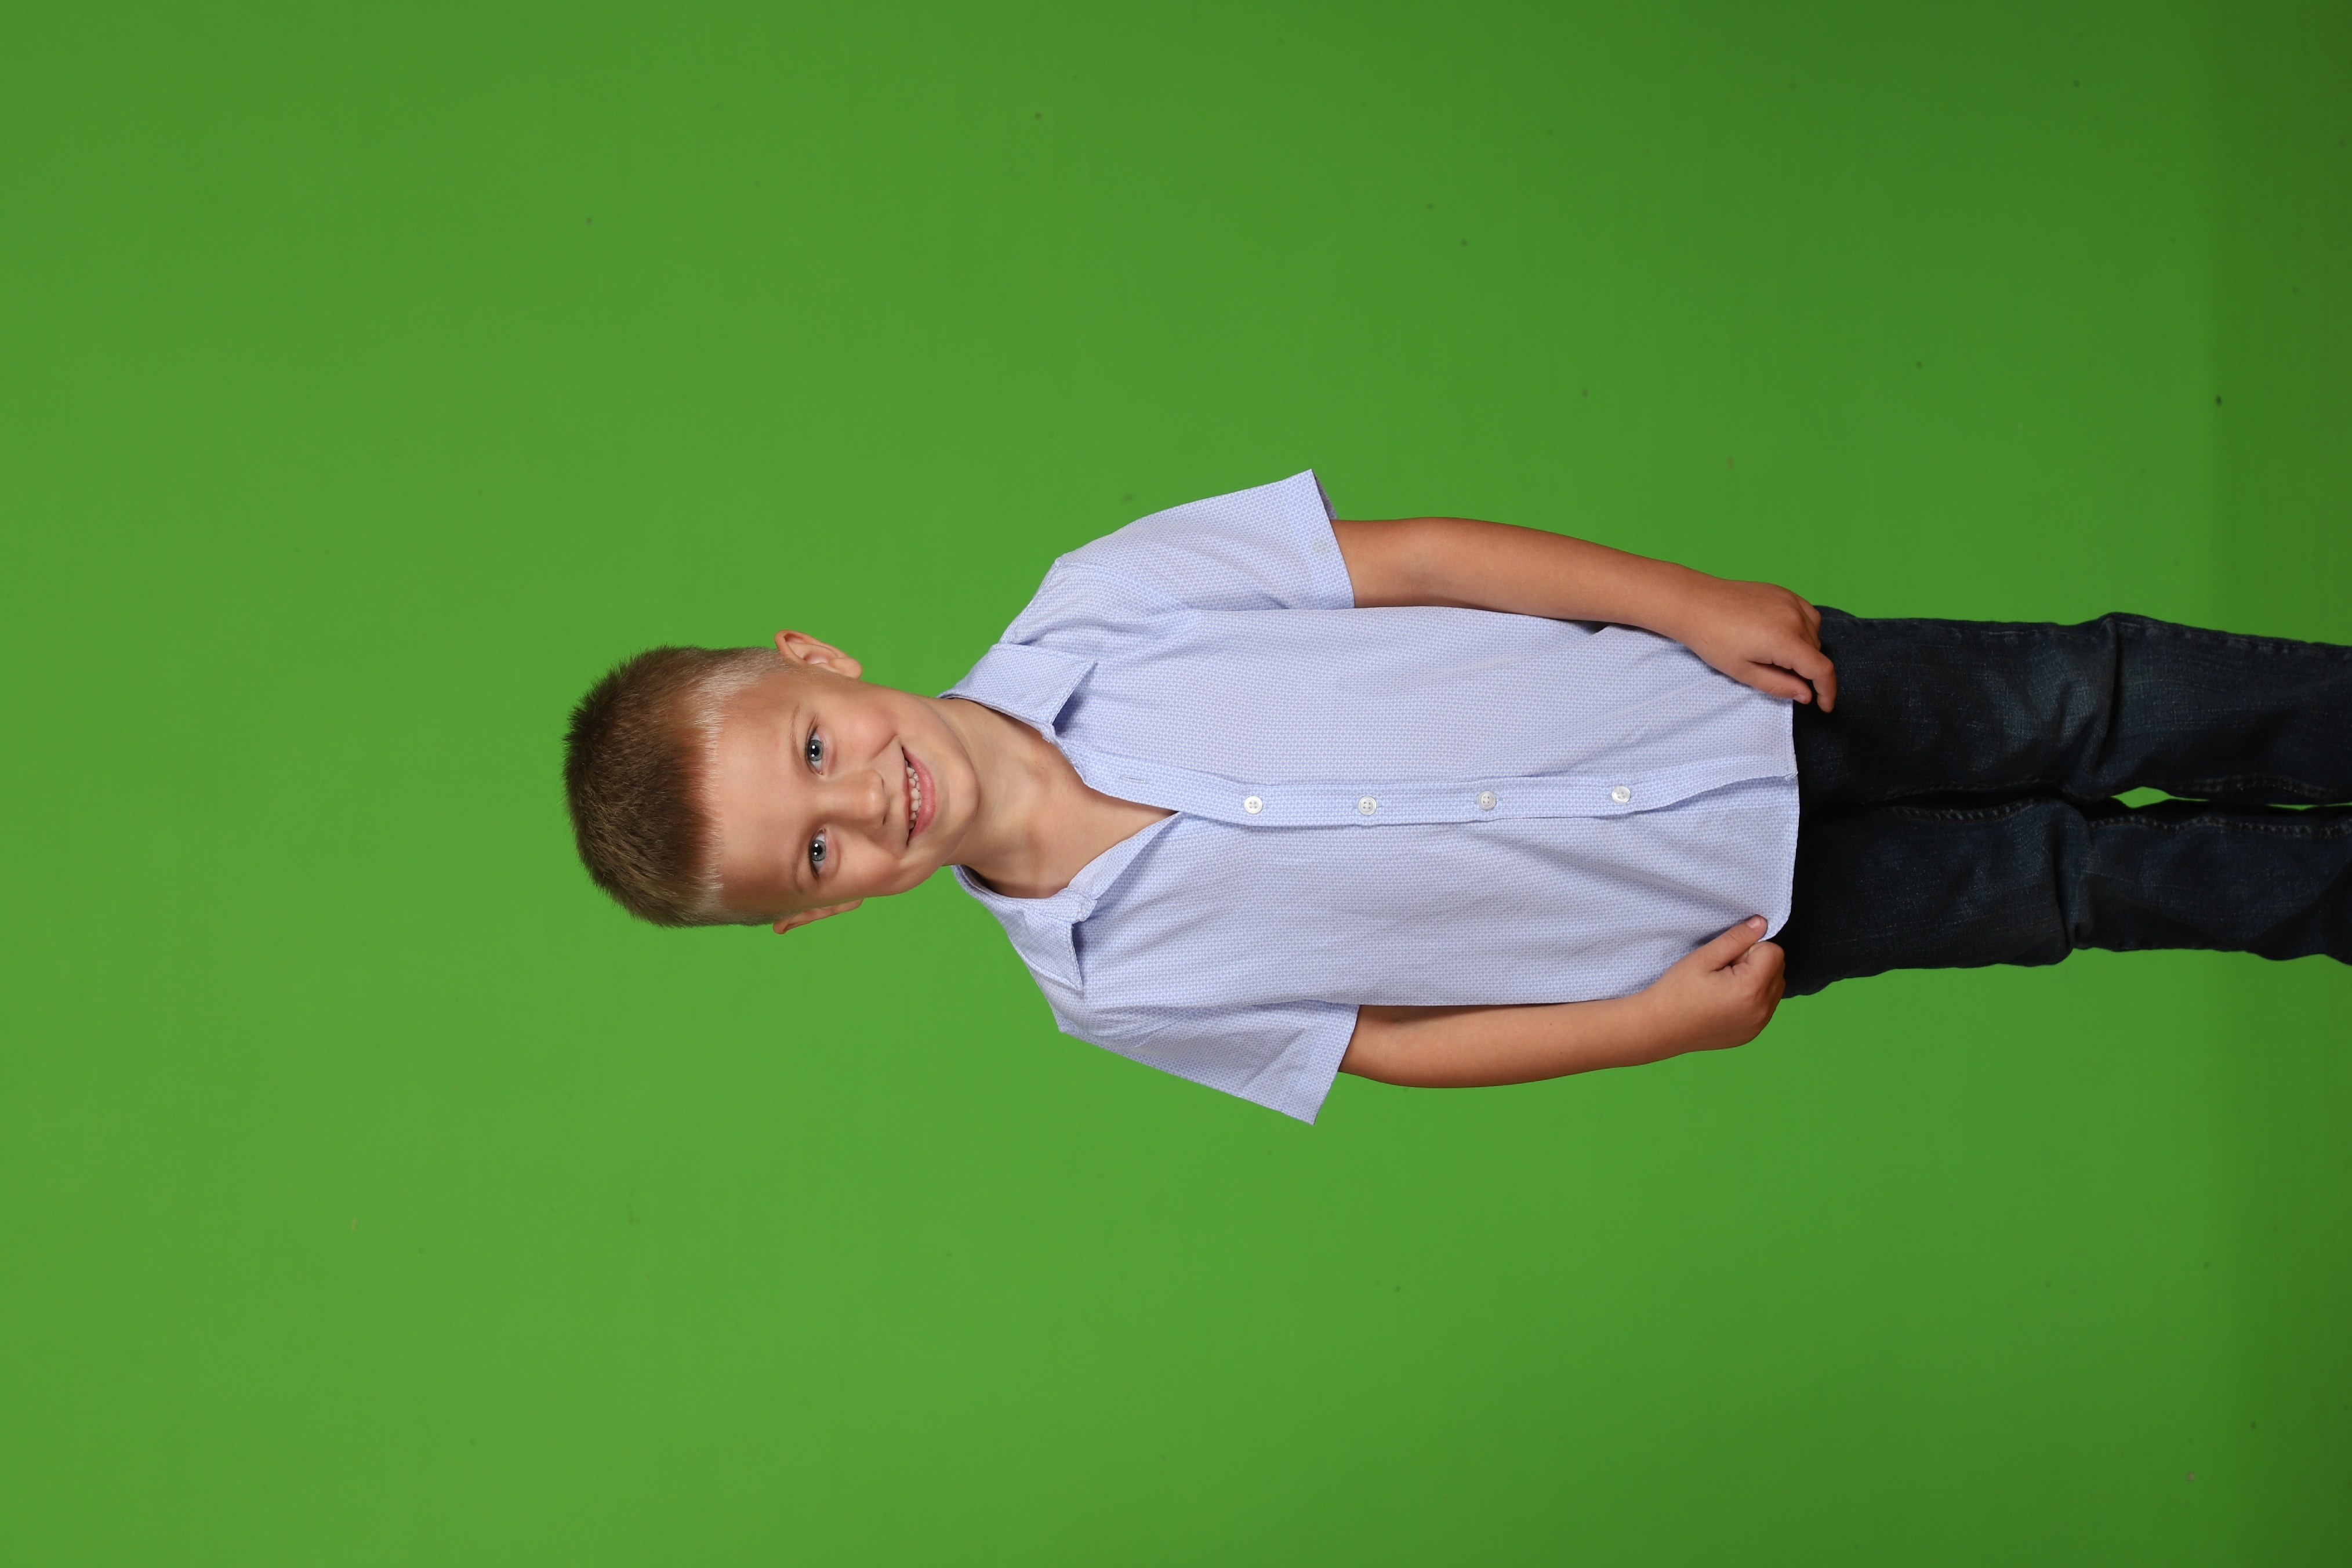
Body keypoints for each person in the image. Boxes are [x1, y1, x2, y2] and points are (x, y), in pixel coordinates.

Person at [562, 471, 2352, 1122]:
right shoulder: (1106, 989)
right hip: (1724, 921)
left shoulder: (1102, 599)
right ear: (819, 911)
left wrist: (1686, 603)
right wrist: (1650, 1026)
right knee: (2077, 887)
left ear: (816, 659)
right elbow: (1389, 1048)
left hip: (1723, 695)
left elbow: (1413, 558)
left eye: (814, 750)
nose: (867, 806)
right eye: (815, 851)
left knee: (2095, 699)